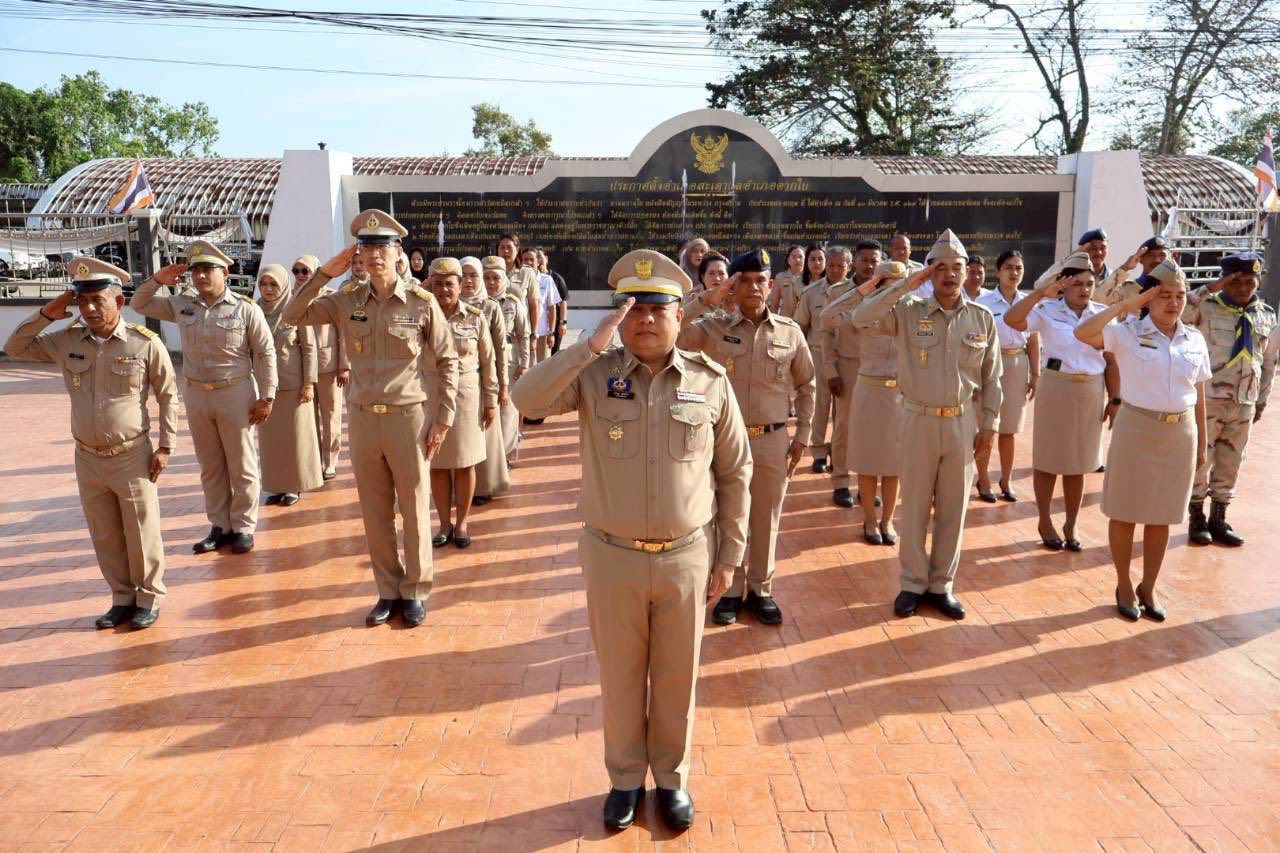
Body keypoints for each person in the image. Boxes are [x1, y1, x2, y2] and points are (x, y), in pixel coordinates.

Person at [511, 249, 751, 833]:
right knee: (620, 676)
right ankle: (624, 779)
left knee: (677, 676)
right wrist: (587, 346)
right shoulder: (594, 374)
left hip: (686, 556)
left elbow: (736, 472)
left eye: (658, 307)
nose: (645, 318)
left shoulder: (708, 381)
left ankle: (670, 779)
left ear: (679, 315)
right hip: (613, 554)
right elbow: (526, 400)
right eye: (633, 308)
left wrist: (730, 555)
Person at [283, 209, 460, 629]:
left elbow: (448, 360)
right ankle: (388, 589)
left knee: (415, 508)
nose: (374, 255)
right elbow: (292, 315)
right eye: (366, 247)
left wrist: (443, 418)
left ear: (399, 254)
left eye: (383, 247)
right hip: (363, 419)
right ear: (357, 254)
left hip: (408, 418)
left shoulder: (422, 302)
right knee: (374, 509)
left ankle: (416, 589)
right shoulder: (346, 300)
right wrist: (325, 274)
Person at [4, 257, 177, 629]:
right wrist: (46, 315)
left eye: (98, 300)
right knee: (106, 533)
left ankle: (148, 597)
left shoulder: (144, 344)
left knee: (141, 531)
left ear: (120, 302)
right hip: (87, 457)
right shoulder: (65, 341)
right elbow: (15, 347)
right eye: (83, 302)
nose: (90, 309)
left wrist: (166, 447)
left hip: (132, 455)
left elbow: (167, 395)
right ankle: (121, 597)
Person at [850, 229, 1001, 620]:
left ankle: (942, 585)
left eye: (957, 268)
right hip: (917, 419)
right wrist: (905, 285)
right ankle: (912, 583)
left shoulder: (981, 318)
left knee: (954, 509)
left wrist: (989, 425)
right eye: (941, 268)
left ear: (968, 272)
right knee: (915, 507)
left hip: (961, 422)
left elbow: (991, 378)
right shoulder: (908, 311)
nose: (950, 275)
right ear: (930, 273)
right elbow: (861, 317)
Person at [677, 248, 815, 626]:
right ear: (733, 287)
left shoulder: (789, 332)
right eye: (744, 281)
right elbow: (672, 331)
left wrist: (802, 434)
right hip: (723, 439)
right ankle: (730, 590)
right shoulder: (713, 328)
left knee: (766, 515)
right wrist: (708, 298)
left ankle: (761, 589)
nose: (754, 288)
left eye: (761, 281)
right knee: (725, 513)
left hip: (771, 439)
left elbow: (807, 384)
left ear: (772, 286)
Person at [1074, 262, 1210, 621]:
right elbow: (1082, 333)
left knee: (1162, 515)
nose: (1173, 302)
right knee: (1125, 511)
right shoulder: (1127, 332)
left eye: (1179, 296)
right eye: (1163, 295)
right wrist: (1124, 307)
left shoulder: (1194, 339)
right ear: (1148, 298)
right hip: (1137, 429)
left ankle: (1148, 586)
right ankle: (1123, 582)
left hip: (1180, 434)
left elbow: (1199, 391)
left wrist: (1204, 444)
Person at [132, 240, 277, 555]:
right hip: (197, 394)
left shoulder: (245, 308)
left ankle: (243, 526)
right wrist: (158, 280)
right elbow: (139, 303)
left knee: (241, 463)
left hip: (235, 392)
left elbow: (265, 353)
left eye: (207, 269)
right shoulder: (182, 305)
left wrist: (267, 396)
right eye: (195, 270)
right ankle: (220, 525)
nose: (200, 276)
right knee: (210, 465)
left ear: (224, 272)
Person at [1003, 250, 1116, 552]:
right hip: (1057, 388)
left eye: (1089, 284)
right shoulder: (1047, 310)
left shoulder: (1102, 314)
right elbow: (1012, 319)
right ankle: (1044, 519)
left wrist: (1115, 398)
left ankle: (1071, 522)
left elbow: (1111, 358)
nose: (1084, 290)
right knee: (1049, 460)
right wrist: (1041, 292)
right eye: (1077, 283)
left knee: (1080, 462)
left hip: (1091, 390)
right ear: (1065, 284)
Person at [1182, 252, 1277, 546]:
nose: (1244, 288)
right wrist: (1209, 288)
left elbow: (1269, 361)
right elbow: (1179, 312)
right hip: (1208, 399)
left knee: (1231, 460)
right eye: (1236, 282)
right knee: (1201, 457)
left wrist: (1261, 399)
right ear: (1225, 281)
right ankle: (1196, 516)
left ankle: (1219, 517)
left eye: (1250, 282)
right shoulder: (1206, 308)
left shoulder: (1266, 314)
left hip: (1243, 401)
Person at [824, 260, 907, 544]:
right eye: (888, 284)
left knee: (895, 465)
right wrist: (864, 289)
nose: (895, 290)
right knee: (869, 462)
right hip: (869, 391)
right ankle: (870, 520)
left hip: (900, 395)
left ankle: (888, 521)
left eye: (900, 284)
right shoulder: (863, 310)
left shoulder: (911, 312)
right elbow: (828, 316)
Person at [425, 258, 498, 548]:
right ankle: (443, 523)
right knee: (438, 463)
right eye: (438, 283)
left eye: (449, 283)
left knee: (465, 462)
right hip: (431, 394)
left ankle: (463, 523)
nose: (444, 289)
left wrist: (491, 400)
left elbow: (488, 361)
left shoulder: (475, 317)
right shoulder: (421, 315)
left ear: (461, 285)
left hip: (467, 397)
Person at [255, 264, 323, 506]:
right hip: (265, 388)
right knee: (272, 441)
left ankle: (295, 485)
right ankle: (277, 485)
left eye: (274, 284)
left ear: (283, 285)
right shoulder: (253, 311)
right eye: (264, 284)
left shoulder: (294, 310)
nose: (268, 289)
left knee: (296, 439)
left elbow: (309, 349)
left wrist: (309, 383)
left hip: (293, 386)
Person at [817, 241, 879, 507]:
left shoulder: (887, 292)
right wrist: (831, 370)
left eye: (874, 260)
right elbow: (826, 332)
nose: (870, 265)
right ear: (855, 263)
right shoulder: (838, 292)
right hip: (848, 367)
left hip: (879, 370)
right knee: (844, 427)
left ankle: (868, 484)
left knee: (876, 429)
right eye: (865, 260)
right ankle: (841, 481)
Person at [974, 250, 1039, 502]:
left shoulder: (1028, 303)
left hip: (1017, 363)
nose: (1014, 273)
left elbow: (1033, 341)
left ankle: (1006, 479)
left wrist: (1035, 374)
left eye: (1019, 268)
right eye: (1009, 267)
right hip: (990, 364)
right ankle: (982, 478)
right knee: (987, 424)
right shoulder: (985, 302)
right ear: (997, 271)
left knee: (1010, 429)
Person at [794, 245, 853, 474]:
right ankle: (818, 451)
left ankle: (839, 454)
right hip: (818, 354)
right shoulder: (811, 293)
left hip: (847, 356)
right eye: (832, 265)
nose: (835, 270)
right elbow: (800, 326)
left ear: (849, 267)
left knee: (844, 410)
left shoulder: (857, 293)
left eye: (841, 266)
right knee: (820, 405)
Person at [462, 257, 511, 505]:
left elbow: (500, 350)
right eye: (463, 275)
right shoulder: (444, 305)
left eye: (473, 275)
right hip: (457, 385)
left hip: (485, 381)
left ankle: (484, 486)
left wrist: (503, 386)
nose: (468, 281)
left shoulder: (490, 307)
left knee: (485, 435)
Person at [294, 255, 347, 481]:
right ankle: (313, 460)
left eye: (305, 271)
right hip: (301, 369)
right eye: (296, 271)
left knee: (331, 416)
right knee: (308, 418)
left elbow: (343, 332)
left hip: (328, 366)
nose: (300, 275)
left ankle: (330, 461)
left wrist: (344, 365)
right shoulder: (291, 298)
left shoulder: (330, 298)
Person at [483, 256, 530, 466]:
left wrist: (524, 363)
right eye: (487, 278)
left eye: (496, 278)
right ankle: (487, 458)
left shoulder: (513, 303)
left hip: (509, 363)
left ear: (504, 280)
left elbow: (523, 334)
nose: (491, 283)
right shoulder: (477, 304)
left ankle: (505, 455)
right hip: (483, 363)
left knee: (506, 412)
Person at [497, 233, 540, 368]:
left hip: (520, 334)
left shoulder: (527, 272)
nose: (505, 251)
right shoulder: (489, 272)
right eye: (502, 247)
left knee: (522, 376)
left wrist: (534, 334)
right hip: (495, 331)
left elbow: (534, 306)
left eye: (509, 247)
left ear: (517, 249)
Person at [1094, 236, 1169, 313]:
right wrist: (1125, 268)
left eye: (1162, 255)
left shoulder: (1176, 292)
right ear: (1140, 259)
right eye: (1151, 255)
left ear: (1169, 259)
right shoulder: (1126, 290)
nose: (1157, 260)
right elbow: (1095, 301)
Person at [522, 246, 562, 365]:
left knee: (543, 368)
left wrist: (551, 333)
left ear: (538, 261)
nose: (528, 263)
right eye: (525, 259)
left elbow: (552, 308)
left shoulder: (547, 280)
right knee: (524, 369)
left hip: (542, 332)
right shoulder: (517, 279)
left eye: (531, 259)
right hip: (522, 333)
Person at [540, 248, 570, 354]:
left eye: (540, 257)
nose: (538, 261)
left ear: (546, 259)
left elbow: (563, 302)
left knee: (554, 353)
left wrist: (563, 322)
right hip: (537, 324)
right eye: (536, 258)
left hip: (554, 322)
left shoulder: (556, 278)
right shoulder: (531, 278)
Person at [768, 243, 806, 316]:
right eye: (794, 257)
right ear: (788, 260)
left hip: (805, 323)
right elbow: (774, 305)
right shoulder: (780, 277)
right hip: (786, 322)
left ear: (805, 259)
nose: (797, 260)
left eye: (800, 257)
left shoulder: (810, 277)